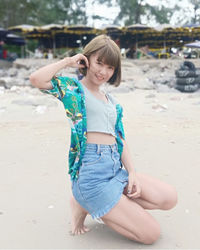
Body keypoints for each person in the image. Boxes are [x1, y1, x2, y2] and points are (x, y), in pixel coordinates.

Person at [29, 35, 177, 245]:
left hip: (115, 169)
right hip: (92, 176)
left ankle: (98, 204)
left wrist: (132, 172)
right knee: (150, 234)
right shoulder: (74, 90)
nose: (103, 72)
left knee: (169, 197)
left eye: (110, 67)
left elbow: (119, 139)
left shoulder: (112, 102)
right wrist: (68, 62)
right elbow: (36, 79)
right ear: (87, 59)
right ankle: (86, 201)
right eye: (99, 62)